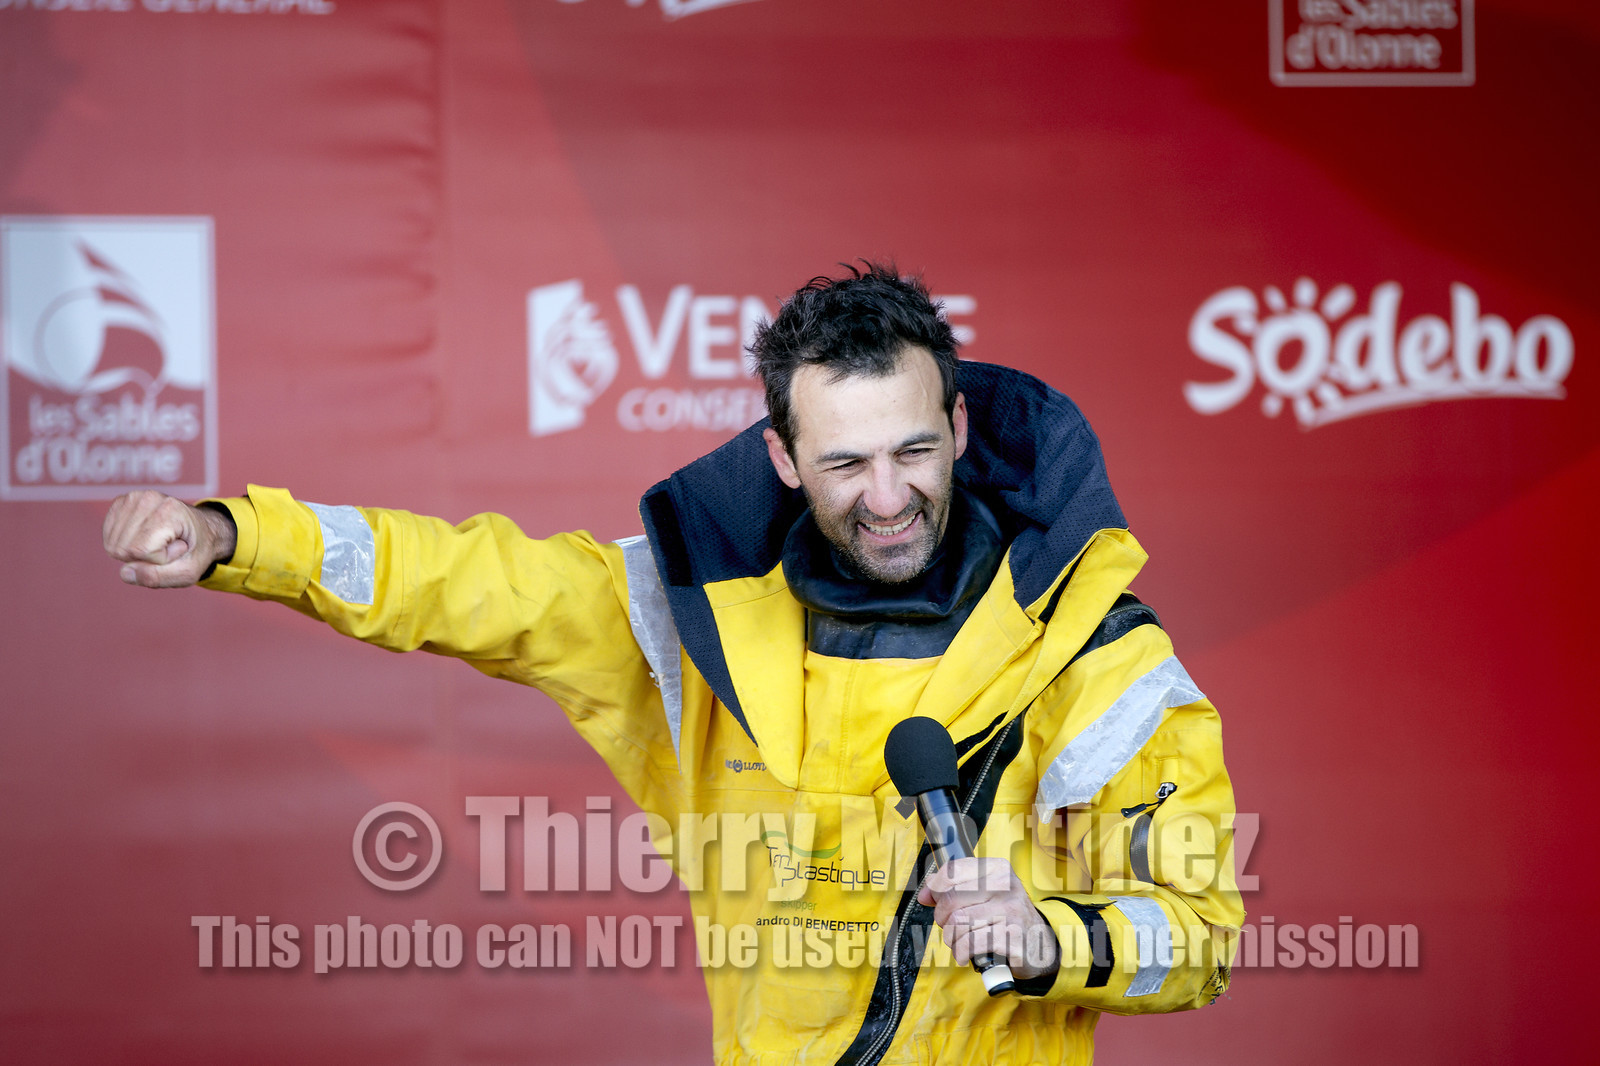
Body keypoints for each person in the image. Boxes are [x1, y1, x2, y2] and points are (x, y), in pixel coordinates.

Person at [103, 263, 1243, 1065]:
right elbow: (464, 580)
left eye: (912, 449)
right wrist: (237, 537)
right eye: (845, 460)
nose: (888, 497)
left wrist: (1054, 934)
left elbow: (1198, 937)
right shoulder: (689, 623)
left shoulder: (1094, 647)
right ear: (782, 459)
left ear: (956, 420)